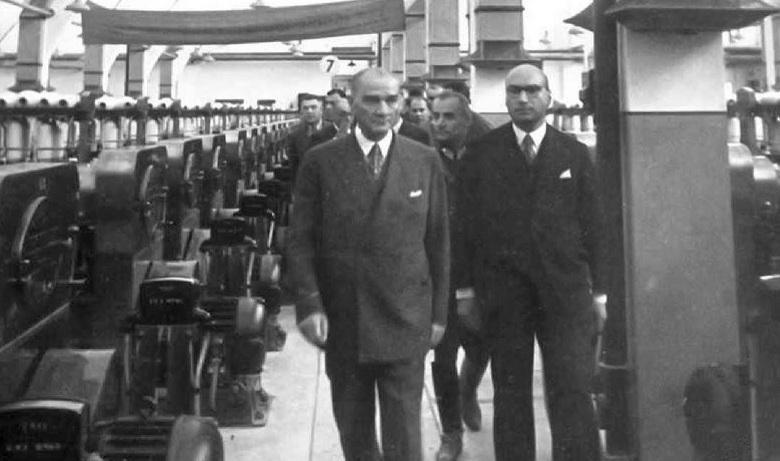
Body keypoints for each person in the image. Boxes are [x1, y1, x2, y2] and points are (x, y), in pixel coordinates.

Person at [288, 67, 450, 461]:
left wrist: (439, 315)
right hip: (345, 319)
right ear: (351, 104)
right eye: (372, 100)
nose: (382, 109)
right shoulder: (321, 161)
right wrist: (309, 305)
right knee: (355, 432)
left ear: (401, 102)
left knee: (405, 437)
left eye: (391, 100)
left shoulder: (423, 159)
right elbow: (300, 240)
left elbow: (439, 242)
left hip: (405, 316)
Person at [455, 63, 606, 461]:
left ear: (548, 97)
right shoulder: (482, 154)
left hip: (565, 293)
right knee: (510, 391)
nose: (523, 99)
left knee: (572, 387)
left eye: (533, 90)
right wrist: (465, 291)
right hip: (504, 294)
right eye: (515, 91)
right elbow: (464, 227)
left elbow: (595, 227)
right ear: (505, 99)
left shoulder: (574, 153)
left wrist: (602, 293)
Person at [428, 91, 490, 461]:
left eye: (448, 117)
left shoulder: (486, 156)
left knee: (481, 346)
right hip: (441, 275)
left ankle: (468, 391)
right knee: (443, 356)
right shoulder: (424, 158)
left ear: (466, 121)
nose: (439, 124)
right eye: (435, 116)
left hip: (482, 272)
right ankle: (451, 433)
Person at [287, 93, 331, 182]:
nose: (309, 111)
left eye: (313, 107)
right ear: (301, 112)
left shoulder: (332, 131)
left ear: (321, 110)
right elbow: (294, 168)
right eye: (305, 108)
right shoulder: (294, 135)